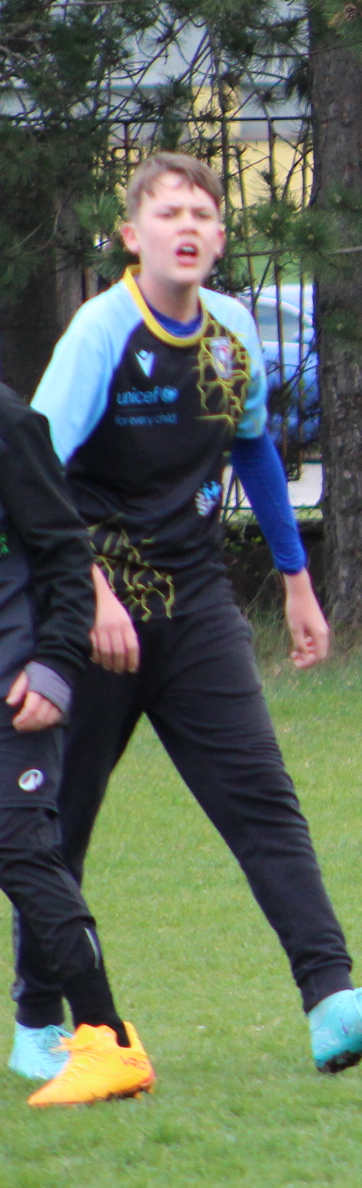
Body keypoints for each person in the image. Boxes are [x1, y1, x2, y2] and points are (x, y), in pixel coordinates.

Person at [18, 151, 362, 1074]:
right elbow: (32, 470)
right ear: (132, 235)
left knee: (262, 801)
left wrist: (296, 581)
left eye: (203, 213)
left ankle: (332, 1000)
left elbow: (255, 451)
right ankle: (40, 1023)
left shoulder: (233, 329)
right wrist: (91, 595)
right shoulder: (101, 331)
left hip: (196, 602)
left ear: (220, 236)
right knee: (61, 823)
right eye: (169, 213)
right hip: (88, 613)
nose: (189, 227)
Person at [0, 381, 154, 1105]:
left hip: (16, 691)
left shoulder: (9, 424)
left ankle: (106, 1041)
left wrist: (57, 666)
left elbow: (66, 554)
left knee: (22, 851)